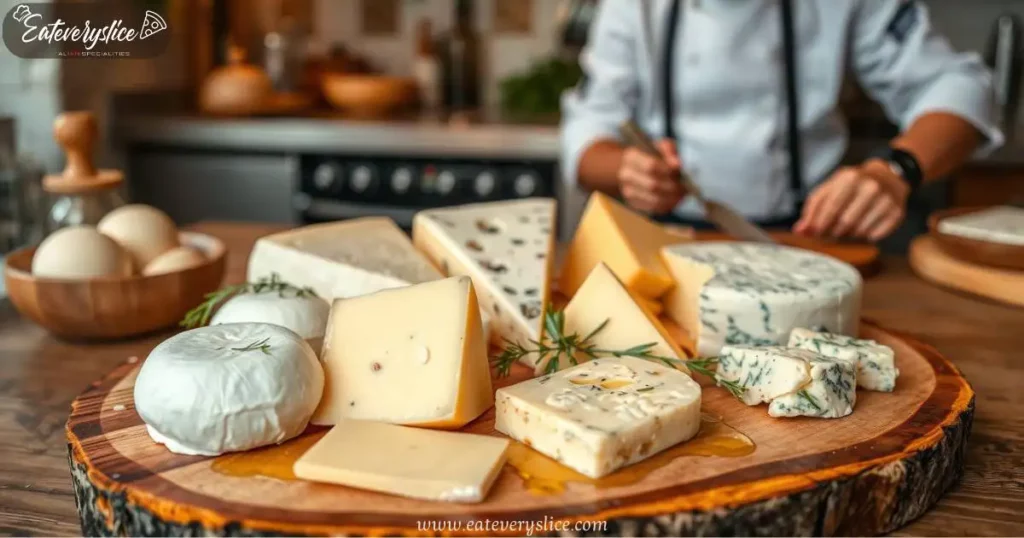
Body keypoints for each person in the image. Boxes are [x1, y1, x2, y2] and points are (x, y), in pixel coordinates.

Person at [560, 0, 1003, 241]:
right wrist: (627, 169)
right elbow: (586, 132)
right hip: (671, 242)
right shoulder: (630, 8)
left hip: (810, 237)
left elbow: (961, 87)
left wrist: (894, 171)